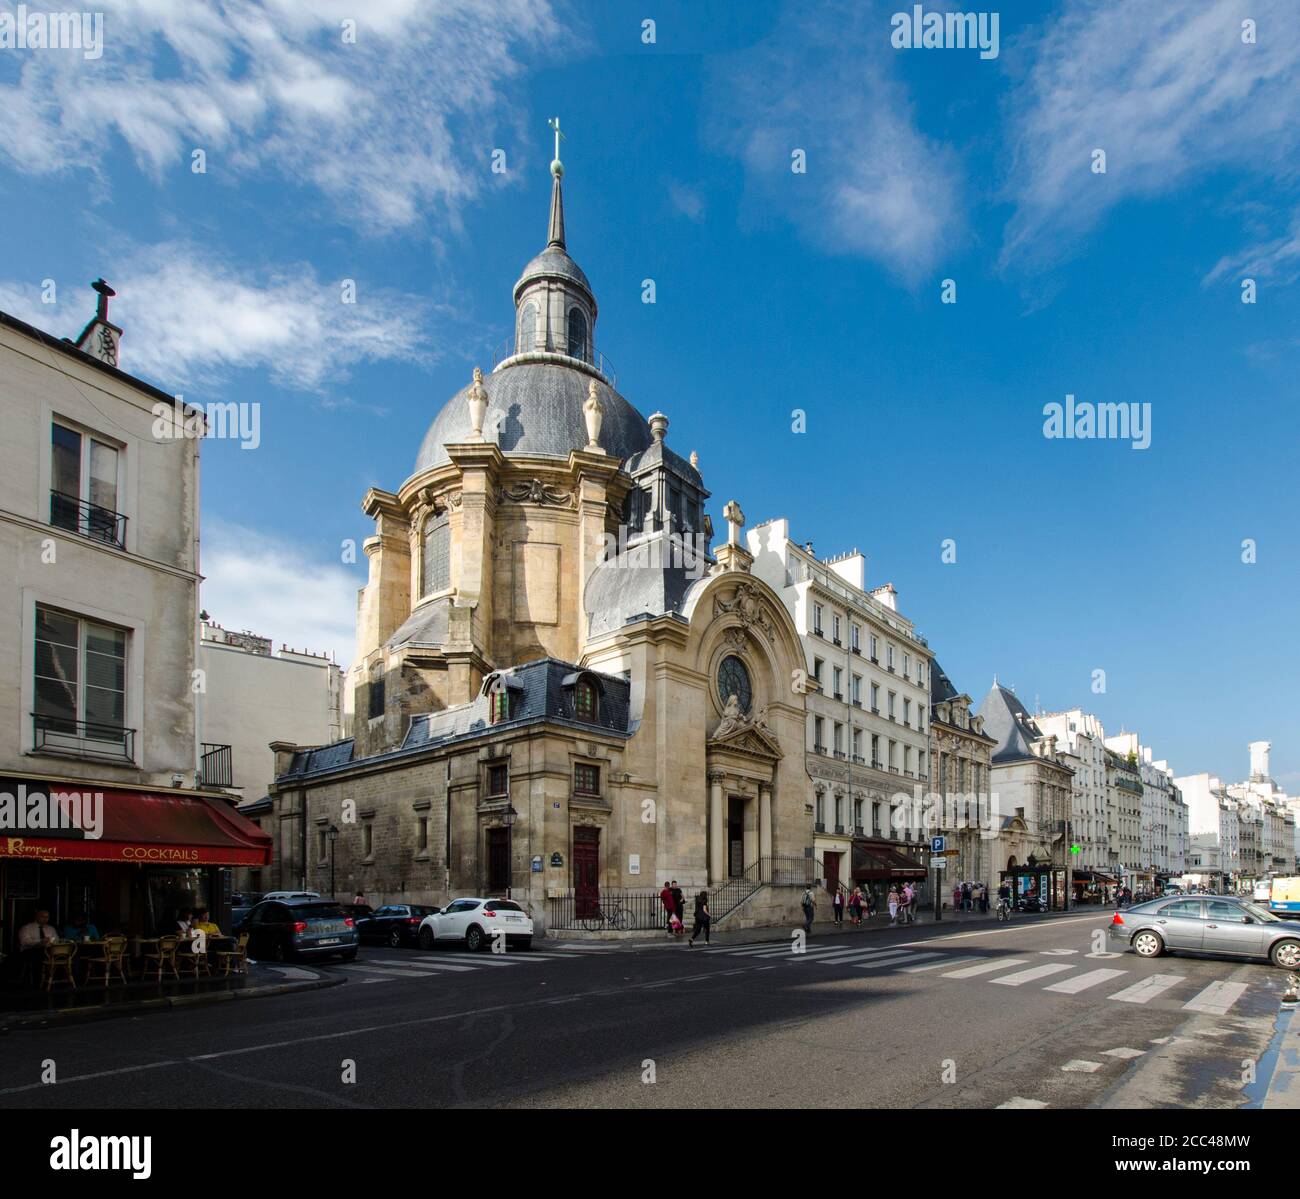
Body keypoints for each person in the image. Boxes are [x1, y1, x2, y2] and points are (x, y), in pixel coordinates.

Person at [18, 908, 58, 981]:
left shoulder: (51, 928)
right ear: (36, 917)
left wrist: (51, 942)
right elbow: (24, 941)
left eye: (47, 917)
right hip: (30, 950)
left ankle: (53, 978)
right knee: (38, 955)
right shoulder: (27, 927)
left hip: (48, 950)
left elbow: (57, 940)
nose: (45, 919)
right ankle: (37, 981)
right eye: (42, 917)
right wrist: (40, 941)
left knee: (59, 955)